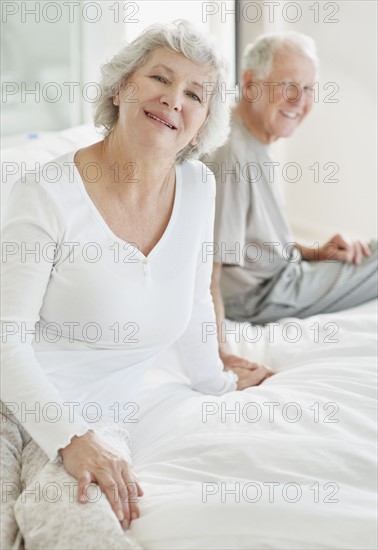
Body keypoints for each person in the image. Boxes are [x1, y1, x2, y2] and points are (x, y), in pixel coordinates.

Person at [0, 20, 273, 549]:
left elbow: (193, 302)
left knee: (79, 532)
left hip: (100, 420)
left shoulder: (199, 187)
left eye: (195, 93)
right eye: (160, 79)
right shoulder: (46, 191)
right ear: (123, 86)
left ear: (202, 124)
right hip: (10, 400)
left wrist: (218, 379)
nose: (175, 99)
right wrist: (69, 438)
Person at [206, 31, 377, 362]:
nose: (300, 100)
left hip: (279, 277)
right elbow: (209, 269)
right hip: (261, 297)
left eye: (309, 88)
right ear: (250, 82)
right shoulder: (231, 154)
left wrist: (317, 252)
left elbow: (254, 244)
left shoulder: (252, 137)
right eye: (288, 85)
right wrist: (221, 356)